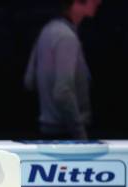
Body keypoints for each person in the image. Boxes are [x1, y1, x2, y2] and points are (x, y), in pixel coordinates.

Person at [24, 0, 102, 139]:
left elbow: (29, 81)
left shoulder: (47, 29)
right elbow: (62, 92)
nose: (98, 1)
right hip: (65, 135)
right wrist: (81, 136)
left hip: (47, 129)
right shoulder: (66, 37)